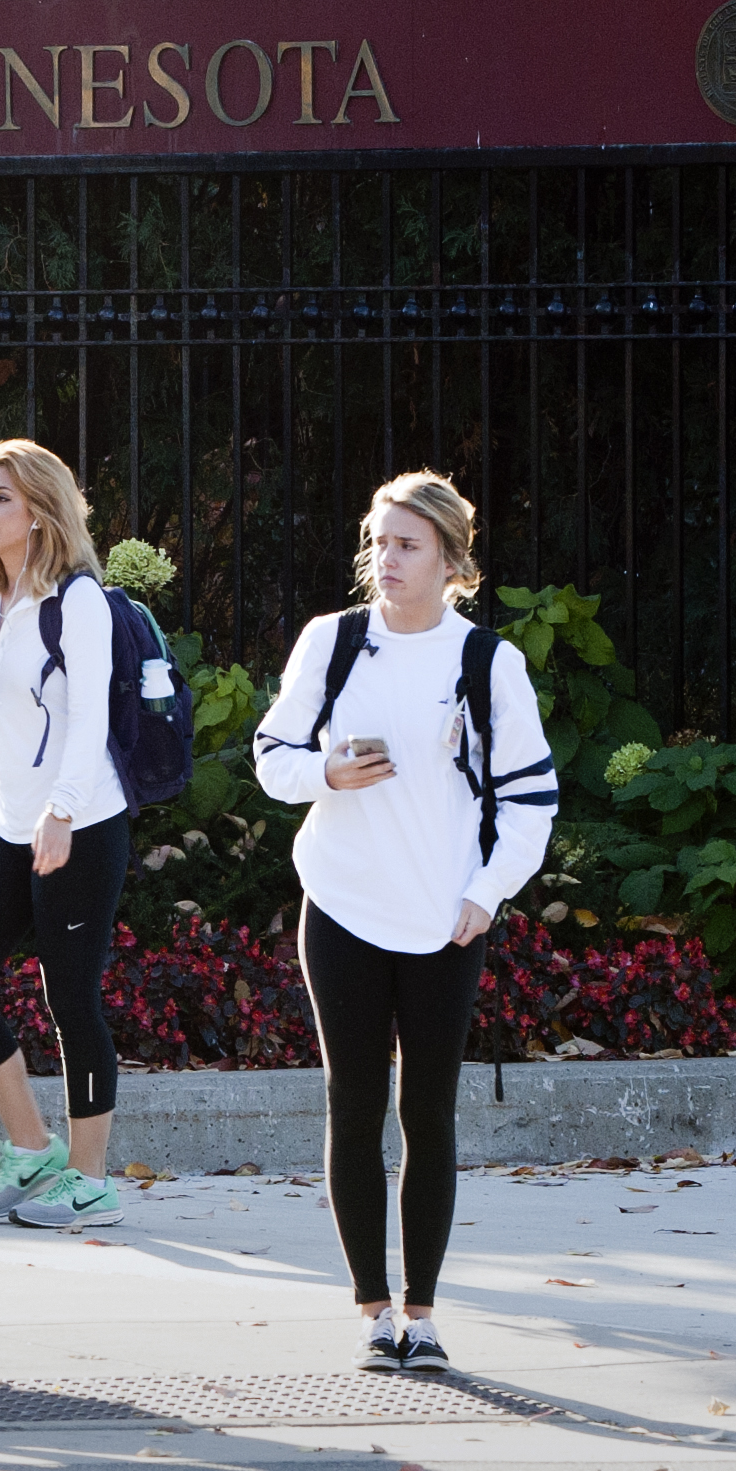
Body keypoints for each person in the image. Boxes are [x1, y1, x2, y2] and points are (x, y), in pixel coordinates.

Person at [251, 470, 553, 1376]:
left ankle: (423, 1313)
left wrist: (488, 891)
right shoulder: (332, 642)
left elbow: (531, 796)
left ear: (452, 560)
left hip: (445, 917)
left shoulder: (487, 662)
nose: (387, 559)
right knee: (353, 1102)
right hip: (340, 901)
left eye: (408, 544)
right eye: (379, 541)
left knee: (427, 1107)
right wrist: (326, 774)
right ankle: (373, 1310)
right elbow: (273, 754)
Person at [0, 440, 135, 1232]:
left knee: (71, 996)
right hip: (12, 822)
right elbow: (2, 705)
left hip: (79, 823)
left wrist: (66, 810)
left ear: (41, 510)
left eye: (2, 497)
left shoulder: (76, 600)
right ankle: (34, 1149)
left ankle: (91, 1180)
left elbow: (87, 716)